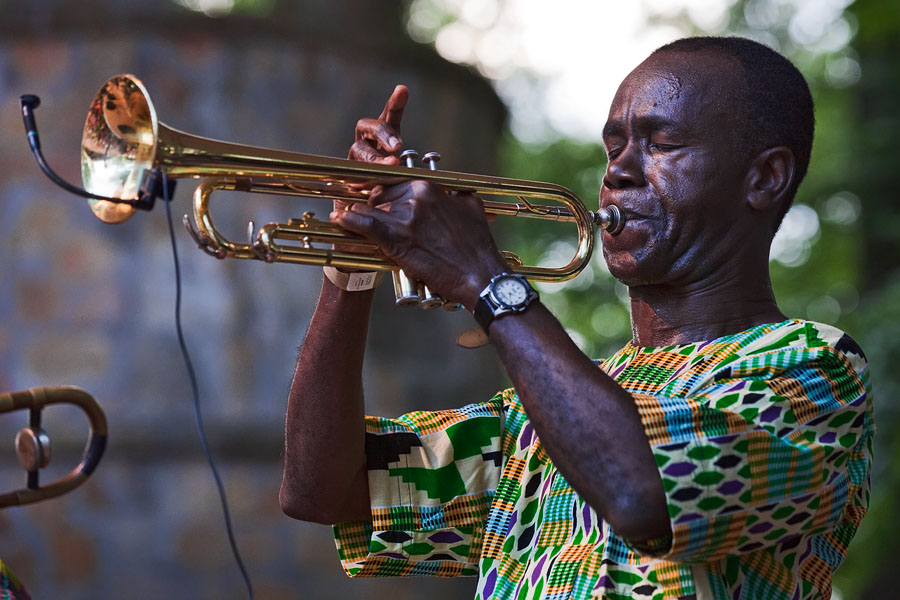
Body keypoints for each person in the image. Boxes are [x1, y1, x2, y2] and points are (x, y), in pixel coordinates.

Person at [279, 36, 872, 600]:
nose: (617, 172)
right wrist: (352, 261)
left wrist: (487, 282)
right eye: (614, 147)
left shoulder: (815, 370)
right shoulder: (539, 412)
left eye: (660, 144)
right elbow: (323, 489)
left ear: (765, 177)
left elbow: (642, 494)